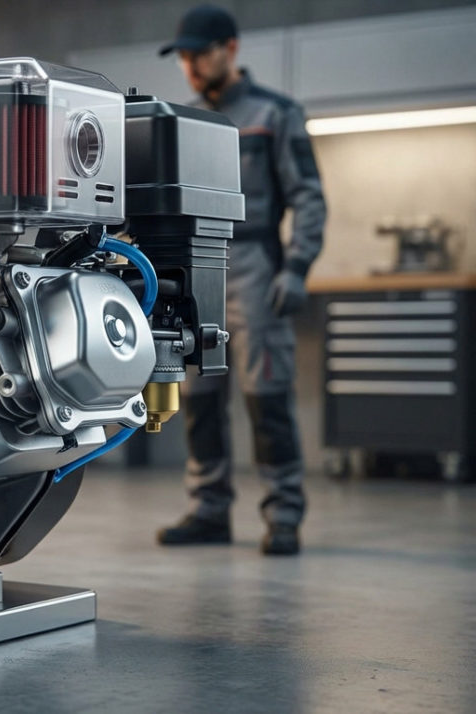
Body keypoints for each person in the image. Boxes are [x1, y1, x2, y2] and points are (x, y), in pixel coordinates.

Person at [155, 4, 326, 555]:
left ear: (230, 48)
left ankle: (284, 514)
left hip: (255, 266)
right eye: (182, 57)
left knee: (266, 396)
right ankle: (208, 509)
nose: (191, 66)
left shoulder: (275, 114)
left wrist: (297, 266)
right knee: (199, 398)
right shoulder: (179, 123)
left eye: (199, 54)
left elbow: (308, 197)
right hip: (195, 271)